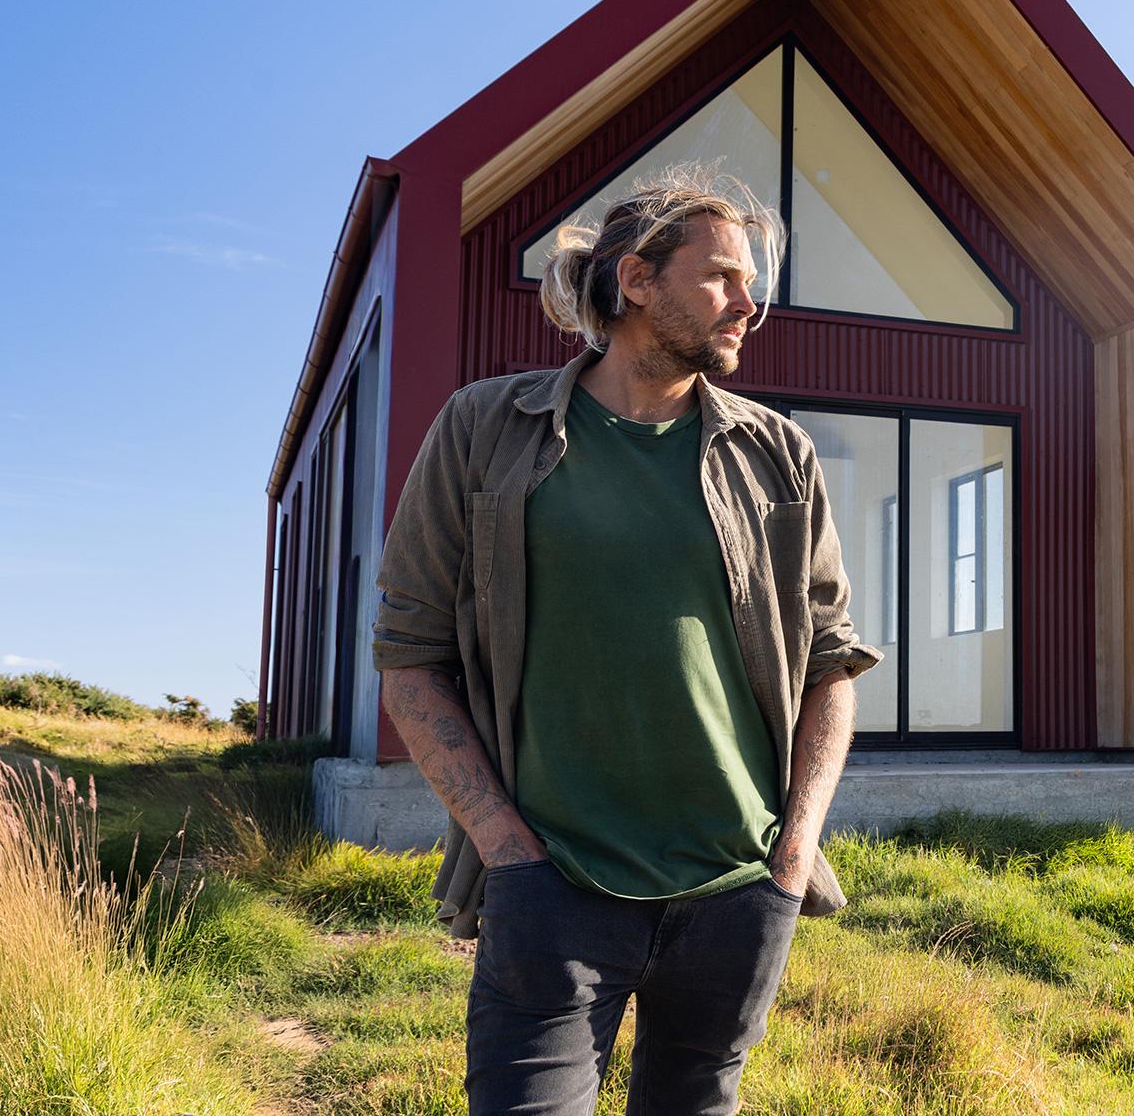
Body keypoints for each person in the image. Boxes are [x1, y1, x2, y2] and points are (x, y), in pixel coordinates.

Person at [369, 163, 881, 1114]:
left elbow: (830, 662)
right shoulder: (488, 428)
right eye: (724, 275)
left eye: (753, 281)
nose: (750, 302)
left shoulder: (776, 453)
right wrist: (505, 846)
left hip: (737, 887)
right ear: (636, 281)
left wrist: (791, 855)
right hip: (551, 885)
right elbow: (410, 653)